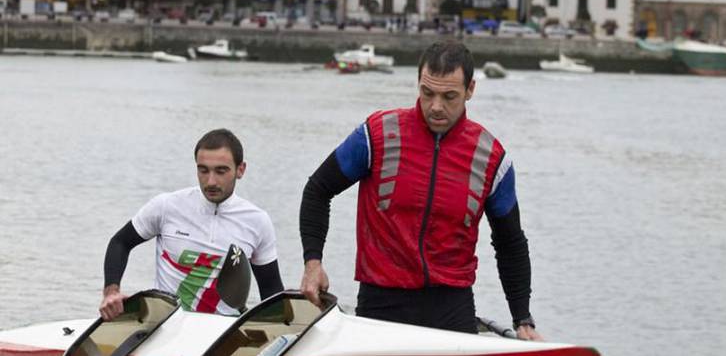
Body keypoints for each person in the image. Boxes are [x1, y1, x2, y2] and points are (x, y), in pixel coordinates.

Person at [299, 40, 542, 340]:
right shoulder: (376, 135)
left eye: (449, 96)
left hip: (452, 307)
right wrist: (313, 264)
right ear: (417, 84)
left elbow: (510, 243)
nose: (436, 106)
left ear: (470, 90)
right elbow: (318, 190)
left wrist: (523, 319)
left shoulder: (491, 157)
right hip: (381, 304)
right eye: (427, 93)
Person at [99, 128, 284, 320]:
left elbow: (270, 289)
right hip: (167, 326)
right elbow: (120, 243)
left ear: (240, 170)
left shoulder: (257, 221)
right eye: (203, 170)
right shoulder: (166, 206)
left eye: (221, 171)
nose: (211, 181)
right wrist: (111, 291)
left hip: (222, 335)